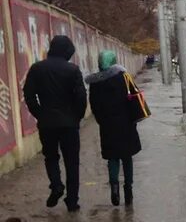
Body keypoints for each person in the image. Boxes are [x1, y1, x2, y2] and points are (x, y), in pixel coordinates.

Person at [23, 35, 87, 212]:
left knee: (51, 157)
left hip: (47, 123)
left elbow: (28, 95)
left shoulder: (37, 68)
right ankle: (72, 201)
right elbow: (81, 97)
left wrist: (40, 114)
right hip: (69, 124)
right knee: (72, 162)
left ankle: (56, 185)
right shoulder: (73, 70)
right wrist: (77, 116)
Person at [85, 50, 141, 206]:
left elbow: (94, 107)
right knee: (127, 157)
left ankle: (114, 188)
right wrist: (133, 119)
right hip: (126, 124)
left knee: (112, 158)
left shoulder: (95, 83)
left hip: (107, 126)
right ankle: (128, 190)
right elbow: (135, 100)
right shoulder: (124, 77)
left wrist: (103, 121)